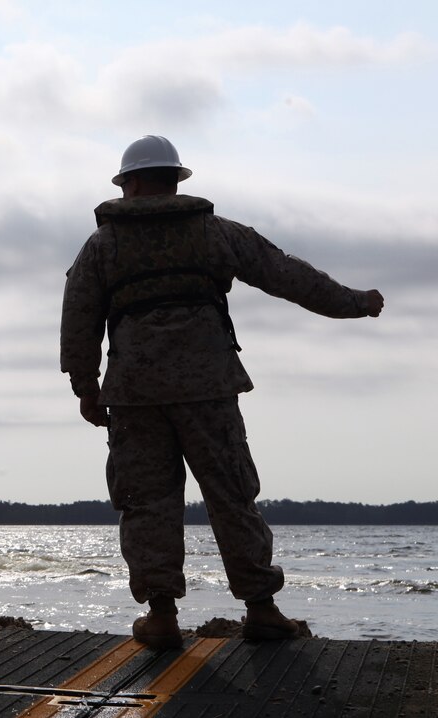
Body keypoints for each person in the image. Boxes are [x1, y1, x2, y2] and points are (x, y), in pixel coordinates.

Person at [60, 135, 384, 649]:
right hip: (208, 388)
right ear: (175, 179)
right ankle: (261, 609)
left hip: (134, 395)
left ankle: (162, 616)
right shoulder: (214, 233)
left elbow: (79, 318)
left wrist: (85, 386)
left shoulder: (103, 245)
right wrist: (355, 302)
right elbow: (287, 274)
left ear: (134, 182)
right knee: (233, 496)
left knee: (146, 504)